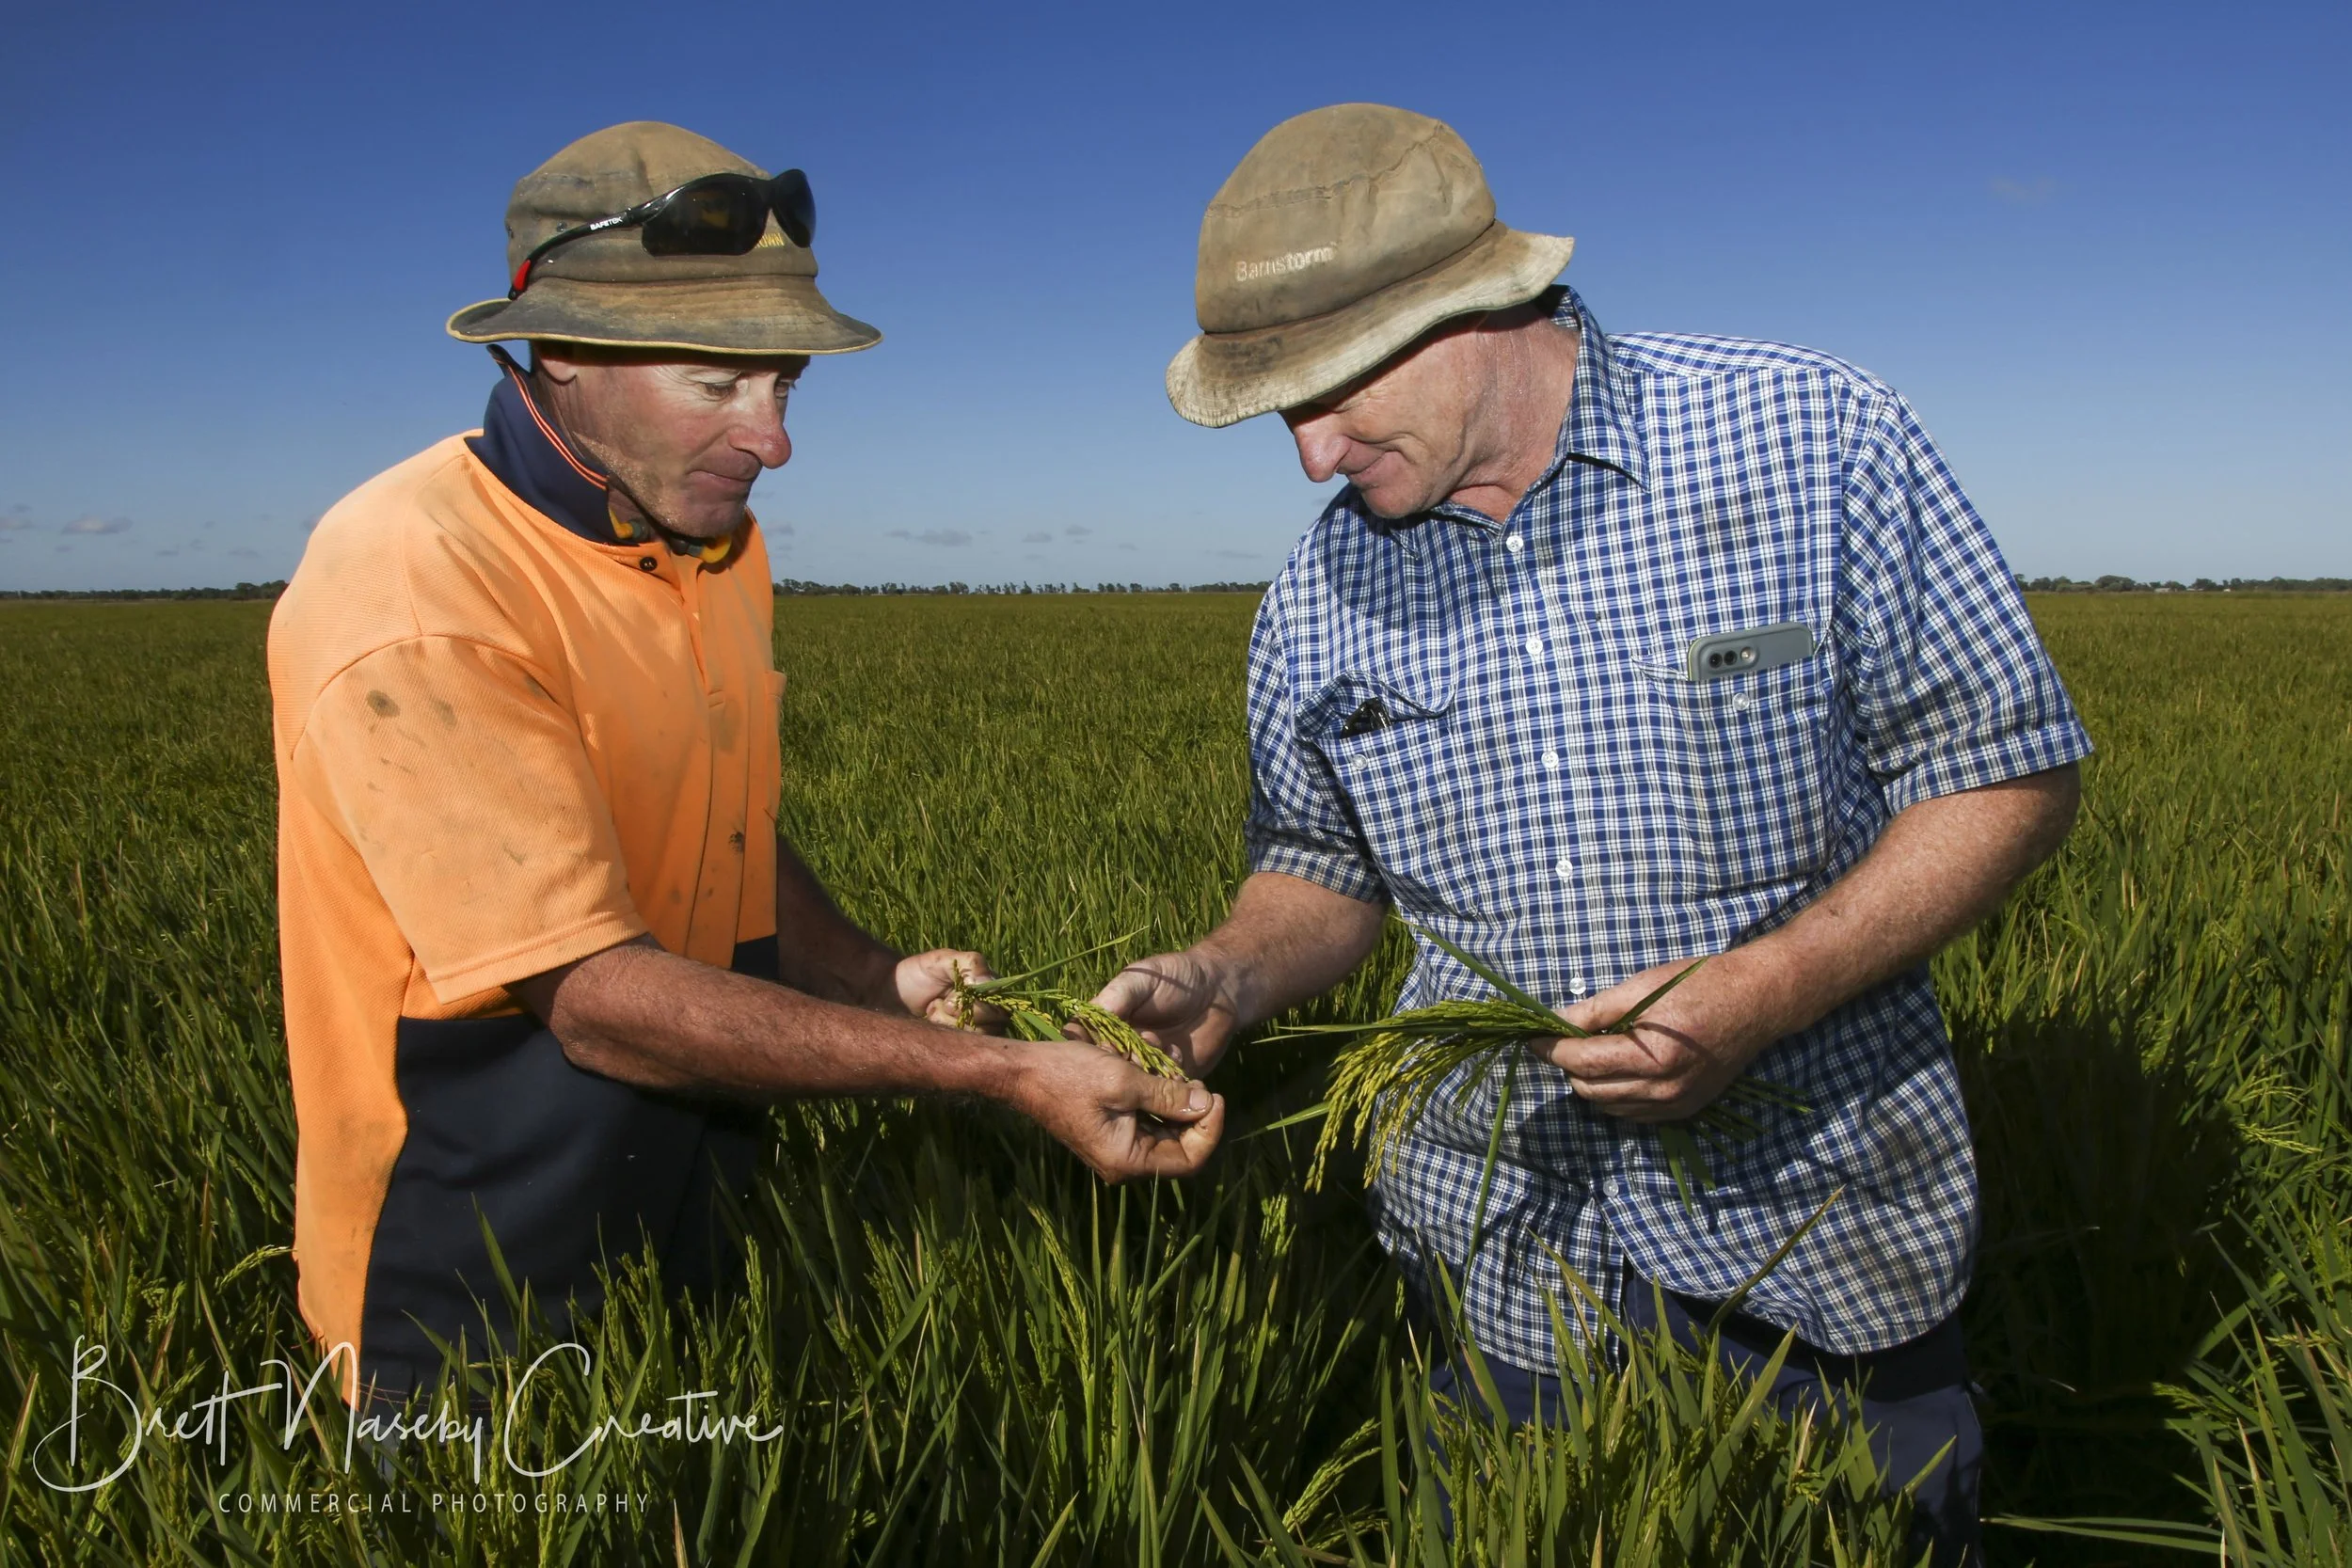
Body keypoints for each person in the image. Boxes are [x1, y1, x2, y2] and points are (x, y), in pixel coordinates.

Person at [1097, 103, 2089, 1562]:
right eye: (1278, 414)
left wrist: (1765, 992)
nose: (1309, 456)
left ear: (1471, 307)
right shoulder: (1312, 604)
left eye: (1329, 392)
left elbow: (2010, 772)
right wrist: (1228, 975)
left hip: (1820, 1241)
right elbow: (1320, 869)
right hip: (1497, 1268)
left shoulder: (1814, 436)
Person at [268, 121, 1222, 1407]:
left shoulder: (709, 545)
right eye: (717, 385)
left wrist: (874, 979)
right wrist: (998, 1069)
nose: (771, 440)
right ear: (559, 351)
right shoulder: (421, 585)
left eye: (783, 383)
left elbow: (729, 825)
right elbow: (593, 994)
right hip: (470, 1251)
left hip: (698, 1189)